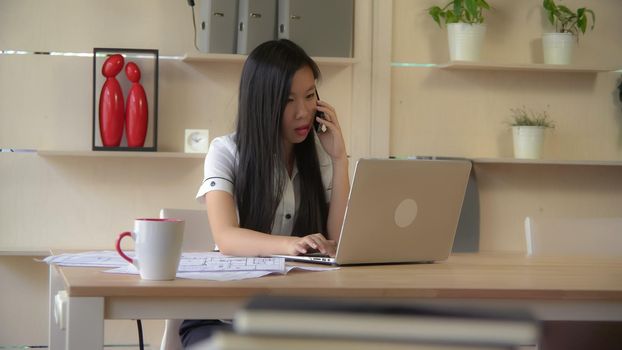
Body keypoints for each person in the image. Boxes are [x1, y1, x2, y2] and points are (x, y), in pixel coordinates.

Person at [179, 39, 350, 347]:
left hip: (293, 318)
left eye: (310, 96)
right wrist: (292, 244)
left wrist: (340, 160)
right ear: (262, 102)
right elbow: (226, 237)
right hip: (222, 317)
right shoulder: (226, 151)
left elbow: (339, 242)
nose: (303, 112)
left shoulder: (321, 156)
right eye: (288, 100)